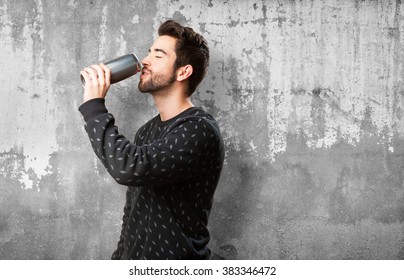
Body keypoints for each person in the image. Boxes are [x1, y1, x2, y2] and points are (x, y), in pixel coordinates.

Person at [78, 20, 225, 260]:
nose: (145, 61)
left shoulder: (199, 128)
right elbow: (133, 210)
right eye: (148, 52)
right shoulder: (146, 131)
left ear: (183, 71)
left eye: (158, 55)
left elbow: (128, 168)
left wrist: (94, 107)